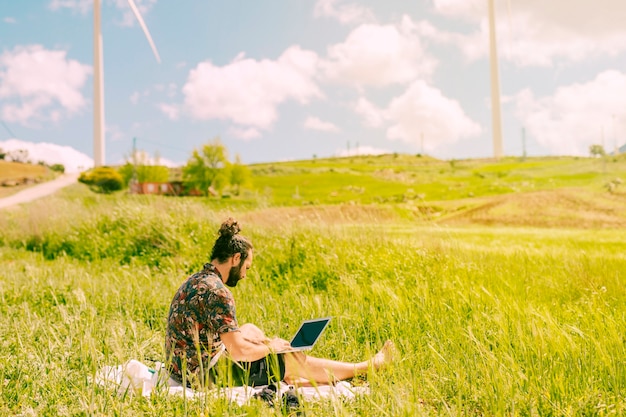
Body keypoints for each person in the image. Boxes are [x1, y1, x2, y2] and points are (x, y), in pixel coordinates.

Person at [165, 218, 394, 388]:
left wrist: (264, 344)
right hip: (201, 376)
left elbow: (230, 338)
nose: (244, 274)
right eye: (246, 267)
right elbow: (239, 351)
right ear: (236, 259)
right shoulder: (218, 292)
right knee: (289, 356)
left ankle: (280, 369)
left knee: (251, 329)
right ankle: (366, 366)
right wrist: (270, 348)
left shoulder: (197, 279)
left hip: (183, 367)